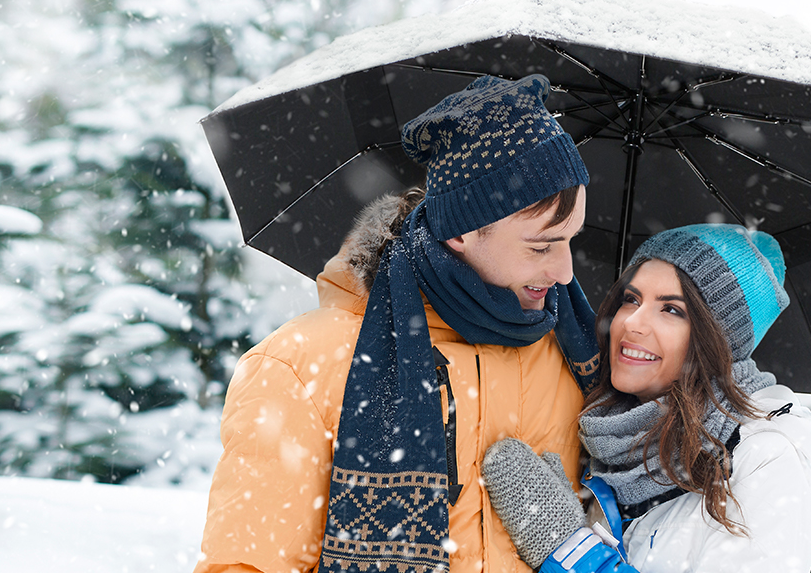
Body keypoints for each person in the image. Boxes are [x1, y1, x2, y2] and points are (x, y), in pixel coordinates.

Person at [194, 74, 602, 573]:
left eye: (571, 239)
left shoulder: (572, 355)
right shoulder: (302, 366)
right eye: (541, 246)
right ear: (462, 232)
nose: (565, 272)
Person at [482, 224, 811, 573]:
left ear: (716, 342)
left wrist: (572, 551)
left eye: (672, 310)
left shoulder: (763, 459)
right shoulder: (607, 434)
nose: (632, 323)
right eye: (631, 299)